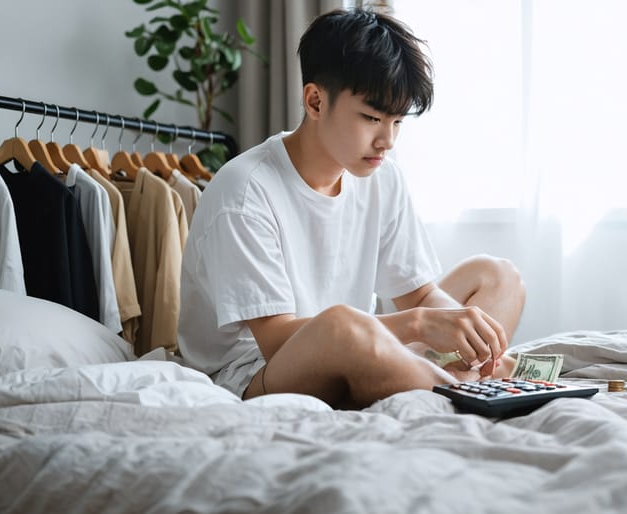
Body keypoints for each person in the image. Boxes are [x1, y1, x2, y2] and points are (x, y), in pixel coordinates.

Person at [178, 8, 526, 409]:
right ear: (315, 101)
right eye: (372, 118)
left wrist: (468, 332)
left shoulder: (383, 178)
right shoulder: (244, 191)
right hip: (254, 372)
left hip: (358, 343)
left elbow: (419, 295)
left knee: (499, 277)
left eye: (397, 122)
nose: (387, 140)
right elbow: (276, 339)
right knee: (342, 325)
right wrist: (420, 326)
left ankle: (457, 375)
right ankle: (459, 390)